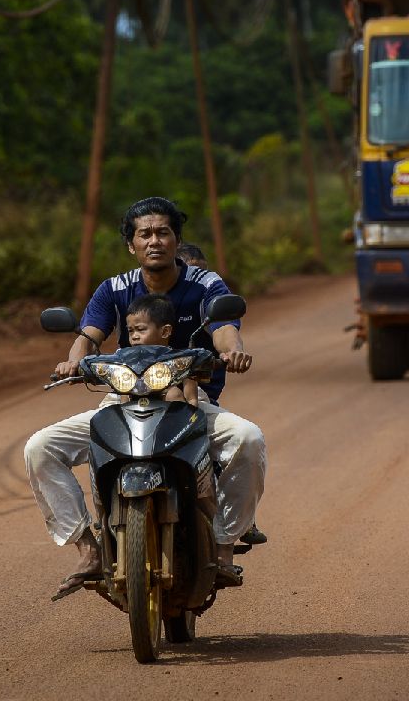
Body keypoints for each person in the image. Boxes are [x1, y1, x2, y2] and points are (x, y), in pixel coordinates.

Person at [24, 197, 265, 600]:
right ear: (131, 245)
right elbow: (88, 337)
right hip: (122, 399)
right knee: (40, 448)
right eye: (145, 234)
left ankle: (223, 549)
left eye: (163, 232)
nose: (155, 240)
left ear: (176, 239)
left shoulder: (205, 285)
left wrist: (232, 350)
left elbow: (224, 326)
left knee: (249, 439)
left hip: (186, 400)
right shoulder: (114, 289)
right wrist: (72, 363)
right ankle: (88, 549)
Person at [175, 242, 269, 550]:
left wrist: (232, 352)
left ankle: (233, 524)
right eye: (192, 271)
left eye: (201, 271)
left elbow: (225, 331)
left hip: (200, 394)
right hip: (152, 392)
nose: (198, 277)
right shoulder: (155, 312)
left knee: (231, 446)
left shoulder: (210, 302)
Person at [122, 292, 201, 406]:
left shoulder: (180, 359)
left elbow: (192, 399)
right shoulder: (125, 358)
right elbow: (123, 396)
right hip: (133, 404)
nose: (134, 336)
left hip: (177, 409)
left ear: (165, 331)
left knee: (173, 394)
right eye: (131, 331)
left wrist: (192, 411)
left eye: (141, 329)